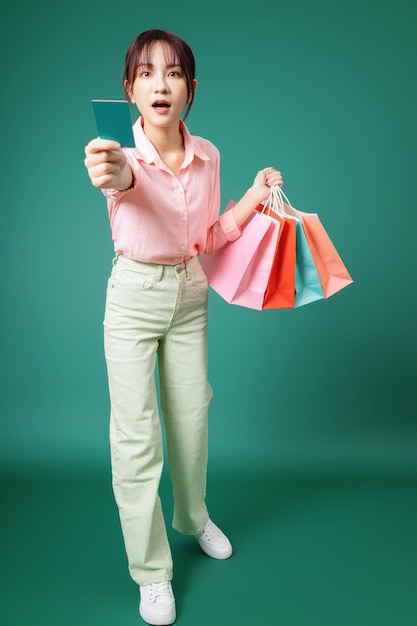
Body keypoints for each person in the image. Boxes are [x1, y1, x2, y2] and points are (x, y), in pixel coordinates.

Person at [84, 28, 283, 626]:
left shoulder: (210, 156)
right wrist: (110, 167)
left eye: (173, 73)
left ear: (190, 89)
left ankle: (193, 518)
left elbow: (212, 236)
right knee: (137, 437)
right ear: (130, 89)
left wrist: (252, 196)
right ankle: (151, 573)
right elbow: (119, 182)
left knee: (192, 418)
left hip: (190, 292)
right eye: (146, 73)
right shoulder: (120, 153)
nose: (160, 83)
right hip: (134, 298)